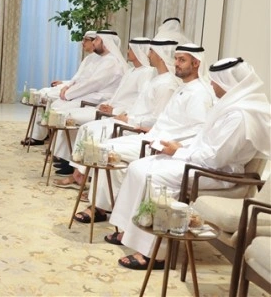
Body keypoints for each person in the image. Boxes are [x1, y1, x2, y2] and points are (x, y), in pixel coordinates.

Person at [107, 57, 270, 270]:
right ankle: (130, 231)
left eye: (215, 81)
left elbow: (216, 159)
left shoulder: (240, 115)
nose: (211, 84)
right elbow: (205, 143)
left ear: (227, 82)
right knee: (138, 167)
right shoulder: (230, 106)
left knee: (153, 177)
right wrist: (177, 148)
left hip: (218, 173)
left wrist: (179, 152)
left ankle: (156, 253)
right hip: (201, 162)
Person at [71, 43, 215, 224]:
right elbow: (167, 120)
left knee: (107, 151)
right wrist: (152, 130)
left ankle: (100, 208)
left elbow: (196, 130)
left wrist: (172, 145)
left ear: (196, 63)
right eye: (176, 59)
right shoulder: (184, 87)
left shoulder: (199, 93)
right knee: (104, 147)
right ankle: (103, 205)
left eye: (182, 60)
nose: (176, 63)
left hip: (163, 145)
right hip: (151, 137)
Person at [51, 37, 162, 187]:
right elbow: (118, 94)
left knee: (92, 132)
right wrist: (108, 105)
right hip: (113, 110)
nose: (127, 51)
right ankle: (75, 170)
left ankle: (80, 175)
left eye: (130, 49)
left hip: (125, 116)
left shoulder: (147, 73)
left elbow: (139, 103)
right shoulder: (131, 71)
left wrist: (116, 110)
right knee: (85, 128)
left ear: (138, 51)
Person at [30, 30, 128, 148]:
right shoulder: (101, 58)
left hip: (99, 98)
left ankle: (59, 150)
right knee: (57, 104)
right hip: (89, 94)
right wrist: (68, 88)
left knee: (61, 108)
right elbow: (82, 79)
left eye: (96, 39)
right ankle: (55, 148)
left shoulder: (111, 62)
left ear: (106, 42)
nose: (93, 42)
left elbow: (92, 84)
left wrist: (69, 93)